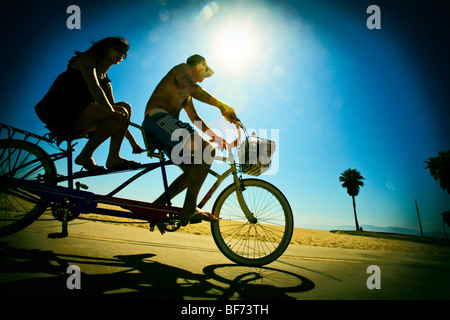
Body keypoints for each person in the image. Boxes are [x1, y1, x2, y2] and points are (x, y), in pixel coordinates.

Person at [142, 54, 242, 225]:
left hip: (165, 127)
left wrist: (216, 137)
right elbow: (193, 88)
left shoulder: (185, 95)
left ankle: (157, 206)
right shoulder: (182, 69)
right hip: (158, 119)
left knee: (192, 171)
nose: (203, 80)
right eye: (204, 74)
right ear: (199, 66)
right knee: (206, 151)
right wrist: (222, 106)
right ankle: (189, 208)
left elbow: (195, 119)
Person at [35, 36, 142, 171]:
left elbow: (120, 118)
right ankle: (86, 155)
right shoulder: (87, 60)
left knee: (125, 107)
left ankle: (113, 157)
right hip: (60, 112)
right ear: (105, 48)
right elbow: (94, 87)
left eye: (124, 52)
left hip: (81, 115)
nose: (122, 54)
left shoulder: (106, 82)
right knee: (116, 111)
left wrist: (133, 143)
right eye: (118, 49)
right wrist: (112, 112)